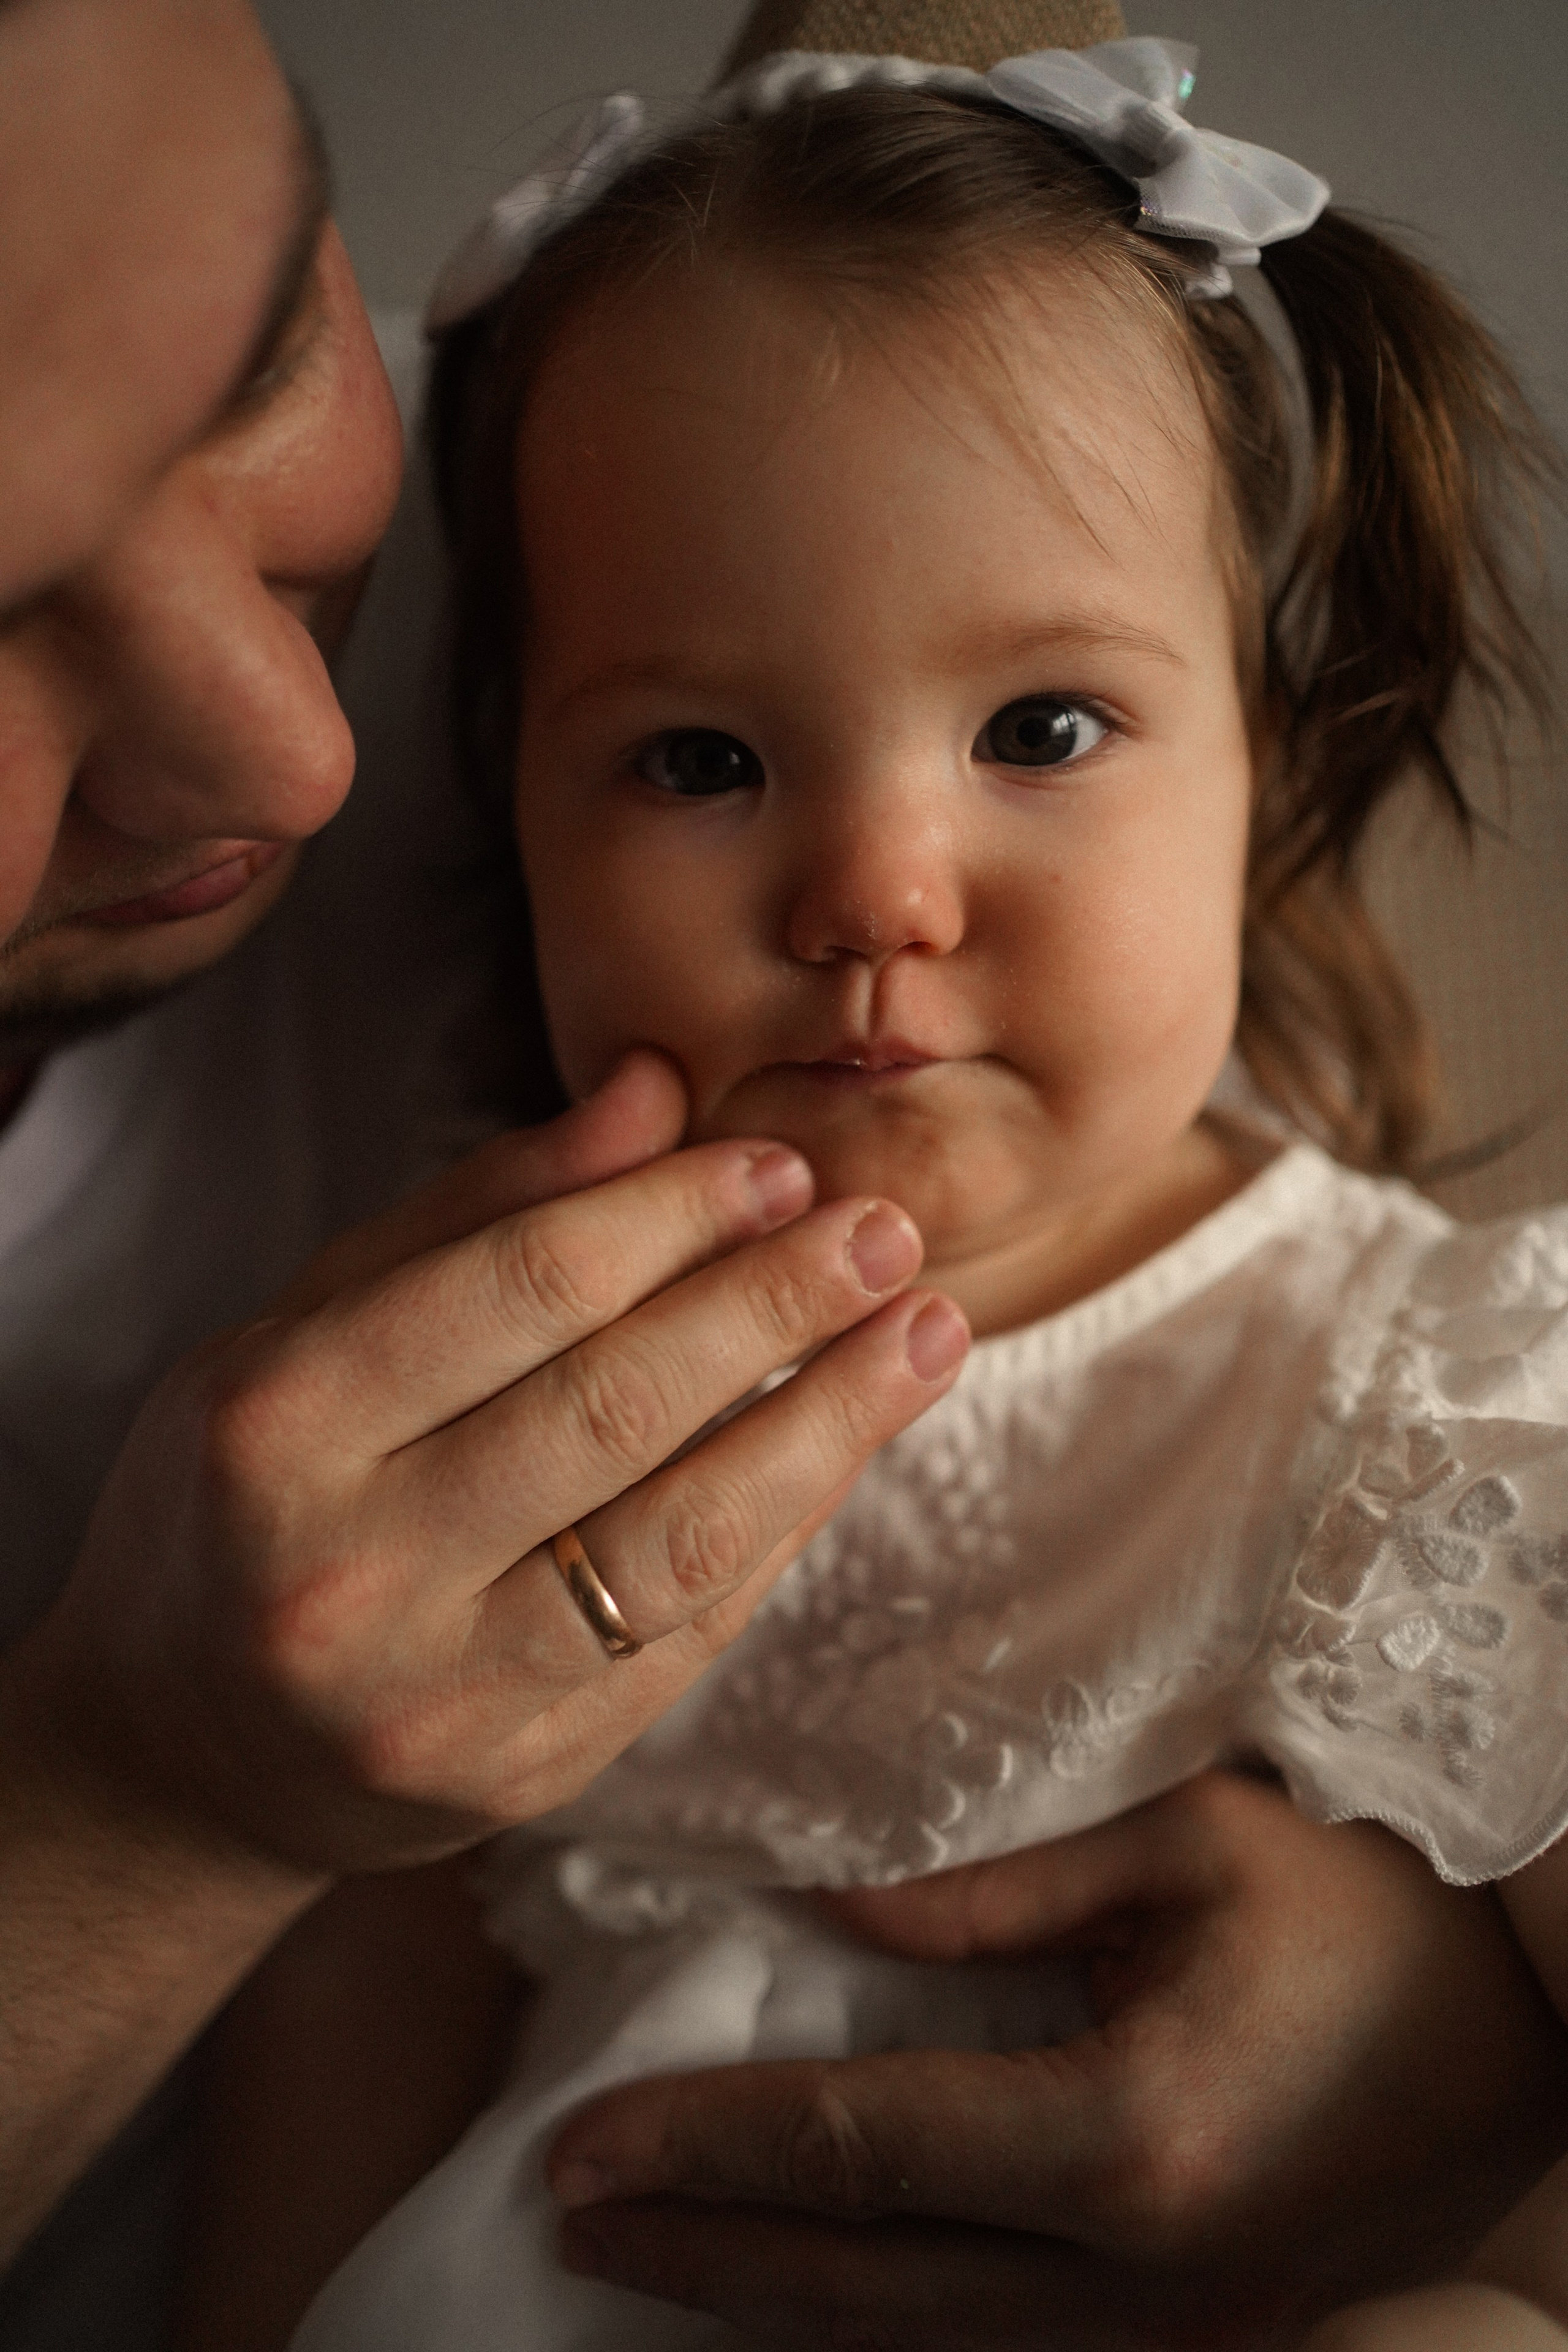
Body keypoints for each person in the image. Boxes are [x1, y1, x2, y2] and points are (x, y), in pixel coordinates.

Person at [2, 3, 1564, 2348]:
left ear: (1275, 760)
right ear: (508, 808)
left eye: (1044, 728)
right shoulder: (448, 1435)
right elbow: (334, 2079)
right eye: (700, 757)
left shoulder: (1444, 1395)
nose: (874, 891)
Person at [0, 0, 973, 2335]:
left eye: (252, 363)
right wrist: (150, 1811)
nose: (298, 753)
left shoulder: (612, 499)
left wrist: (1443, 1995)